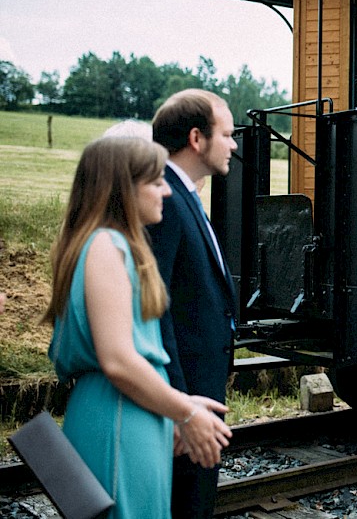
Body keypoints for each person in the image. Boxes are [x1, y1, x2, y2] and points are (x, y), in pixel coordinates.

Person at [43, 137, 232, 518]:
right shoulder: (107, 246)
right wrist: (186, 412)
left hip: (131, 414)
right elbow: (119, 361)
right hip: (119, 420)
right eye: (155, 181)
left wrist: (173, 406)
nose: (167, 189)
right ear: (125, 189)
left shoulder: (105, 245)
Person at [148, 89, 239, 518]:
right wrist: (178, 406)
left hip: (195, 394)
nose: (235, 145)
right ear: (197, 138)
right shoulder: (163, 198)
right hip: (185, 399)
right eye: (227, 134)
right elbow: (156, 308)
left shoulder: (184, 193)